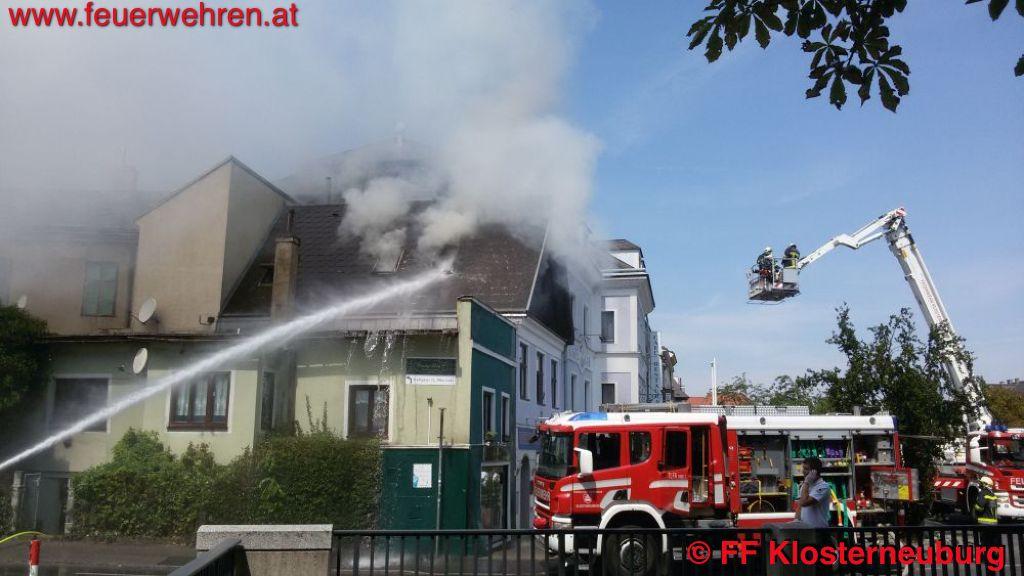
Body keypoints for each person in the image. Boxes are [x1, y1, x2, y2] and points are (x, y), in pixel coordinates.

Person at [794, 456, 832, 528]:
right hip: (806, 531)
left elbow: (804, 502)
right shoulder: (805, 486)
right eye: (803, 468)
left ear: (814, 471)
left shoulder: (823, 487)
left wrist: (806, 482)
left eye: (806, 469)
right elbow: (800, 505)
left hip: (818, 531)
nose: (803, 471)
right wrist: (796, 521)